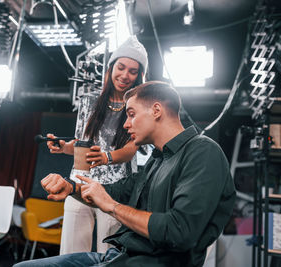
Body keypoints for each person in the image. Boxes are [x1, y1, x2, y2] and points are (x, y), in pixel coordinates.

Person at [15, 81, 236, 267]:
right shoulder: (158, 159)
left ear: (156, 110)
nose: (127, 125)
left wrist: (112, 207)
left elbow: (179, 232)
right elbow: (116, 191)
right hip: (119, 257)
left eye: (131, 114)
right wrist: (71, 188)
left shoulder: (202, 152)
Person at [46, 36, 149, 254]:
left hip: (114, 193)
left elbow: (132, 149)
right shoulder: (89, 101)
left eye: (133, 71)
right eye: (121, 67)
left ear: (140, 75)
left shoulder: (140, 106)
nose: (125, 75)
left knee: (108, 256)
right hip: (78, 186)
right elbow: (81, 143)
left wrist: (107, 157)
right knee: (70, 255)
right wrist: (63, 146)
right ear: (111, 68)